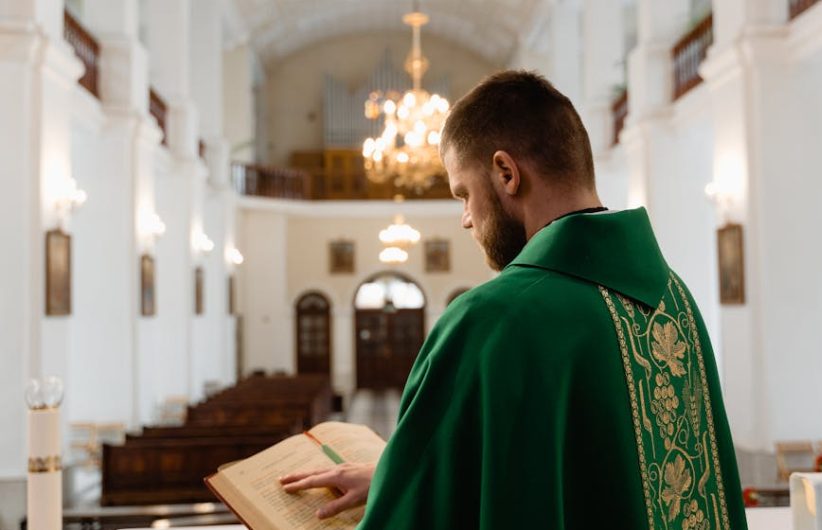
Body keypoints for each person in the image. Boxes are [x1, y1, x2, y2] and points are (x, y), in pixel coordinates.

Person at [280, 70, 748, 529]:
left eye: (463, 194)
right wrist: (396, 477)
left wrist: (397, 497)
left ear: (506, 173)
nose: (466, 219)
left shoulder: (492, 318)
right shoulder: (673, 301)